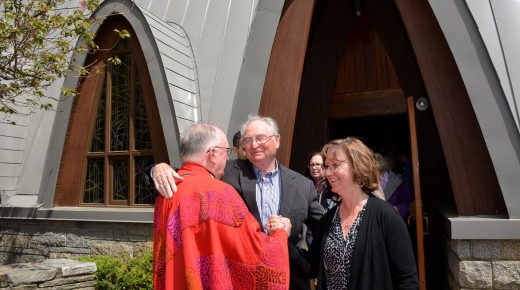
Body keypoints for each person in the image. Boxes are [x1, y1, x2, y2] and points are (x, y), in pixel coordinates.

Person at [152, 115, 325, 290]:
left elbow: (323, 227)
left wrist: (309, 264)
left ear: (277, 140)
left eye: (260, 138)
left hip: (292, 279)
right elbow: (191, 173)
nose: (254, 144)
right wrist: (156, 169)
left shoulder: (303, 185)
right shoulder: (223, 175)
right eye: (248, 140)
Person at [285, 137, 419, 290]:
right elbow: (310, 266)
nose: (328, 173)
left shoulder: (386, 217)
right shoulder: (327, 220)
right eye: (327, 166)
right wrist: (283, 241)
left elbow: (407, 280)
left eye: (335, 165)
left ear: (356, 166)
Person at [374, 152, 412, 220]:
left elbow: (407, 203)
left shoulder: (397, 182)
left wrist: (396, 209)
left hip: (392, 221)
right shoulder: (364, 183)